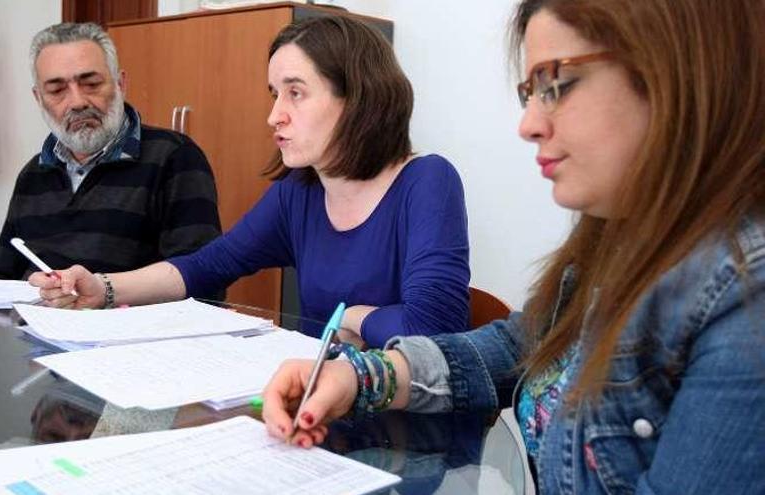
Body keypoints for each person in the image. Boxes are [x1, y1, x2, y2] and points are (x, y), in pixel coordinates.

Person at [262, 1, 765, 493]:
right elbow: (518, 347)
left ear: (677, 73)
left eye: (557, 84)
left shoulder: (745, 293)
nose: (528, 124)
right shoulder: (617, 239)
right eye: (531, 91)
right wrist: (362, 376)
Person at [31, 16, 471, 348]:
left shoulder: (427, 181)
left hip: (405, 425)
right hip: (319, 406)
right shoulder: (297, 194)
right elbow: (206, 266)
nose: (274, 115)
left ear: (358, 98)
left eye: (295, 93)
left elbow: (434, 330)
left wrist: (350, 315)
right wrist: (103, 288)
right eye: (274, 94)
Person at [0, 23, 222, 281]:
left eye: (92, 84)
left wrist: (103, 297)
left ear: (120, 83)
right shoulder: (33, 175)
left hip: (128, 319)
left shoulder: (174, 157)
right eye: (57, 90)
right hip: (36, 319)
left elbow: (202, 279)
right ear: (39, 98)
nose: (77, 102)